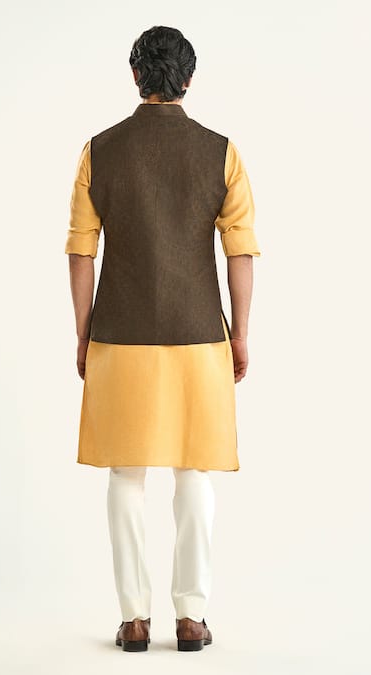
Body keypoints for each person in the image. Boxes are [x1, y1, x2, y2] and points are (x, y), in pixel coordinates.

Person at [65, 25, 261, 652]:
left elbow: (81, 251)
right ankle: (192, 618)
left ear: (135, 76)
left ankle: (133, 620)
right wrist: (240, 334)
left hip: (119, 336)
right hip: (199, 335)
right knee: (193, 474)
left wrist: (83, 334)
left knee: (126, 477)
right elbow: (240, 251)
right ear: (189, 79)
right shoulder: (221, 153)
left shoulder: (99, 151)